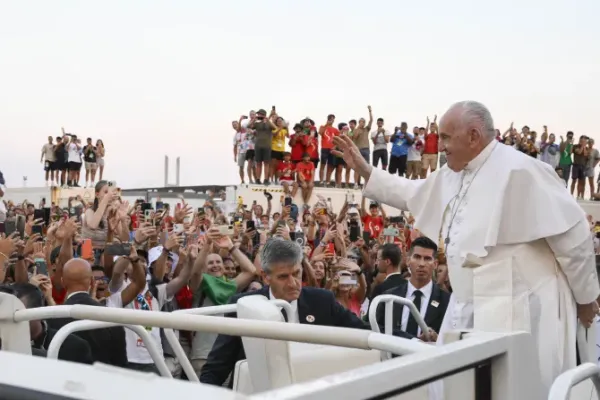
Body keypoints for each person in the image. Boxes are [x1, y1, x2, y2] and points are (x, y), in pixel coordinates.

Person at [333, 100, 600, 396]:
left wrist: (586, 298)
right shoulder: (453, 173)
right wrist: (366, 170)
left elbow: (574, 237)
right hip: (469, 304)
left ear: (473, 136)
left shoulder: (523, 170)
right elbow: (412, 192)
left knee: (520, 389)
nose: (440, 146)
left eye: (446, 137)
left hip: (523, 306)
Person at [199, 238, 368, 387]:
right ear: (266, 277)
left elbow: (364, 333)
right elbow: (217, 366)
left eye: (296, 273)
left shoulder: (322, 300)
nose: (293, 283)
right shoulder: (243, 305)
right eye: (283, 277)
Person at [375, 237, 450, 341]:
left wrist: (438, 339)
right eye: (417, 257)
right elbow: (378, 330)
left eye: (427, 259)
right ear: (408, 261)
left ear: (435, 264)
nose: (422, 264)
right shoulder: (389, 297)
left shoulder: (447, 301)